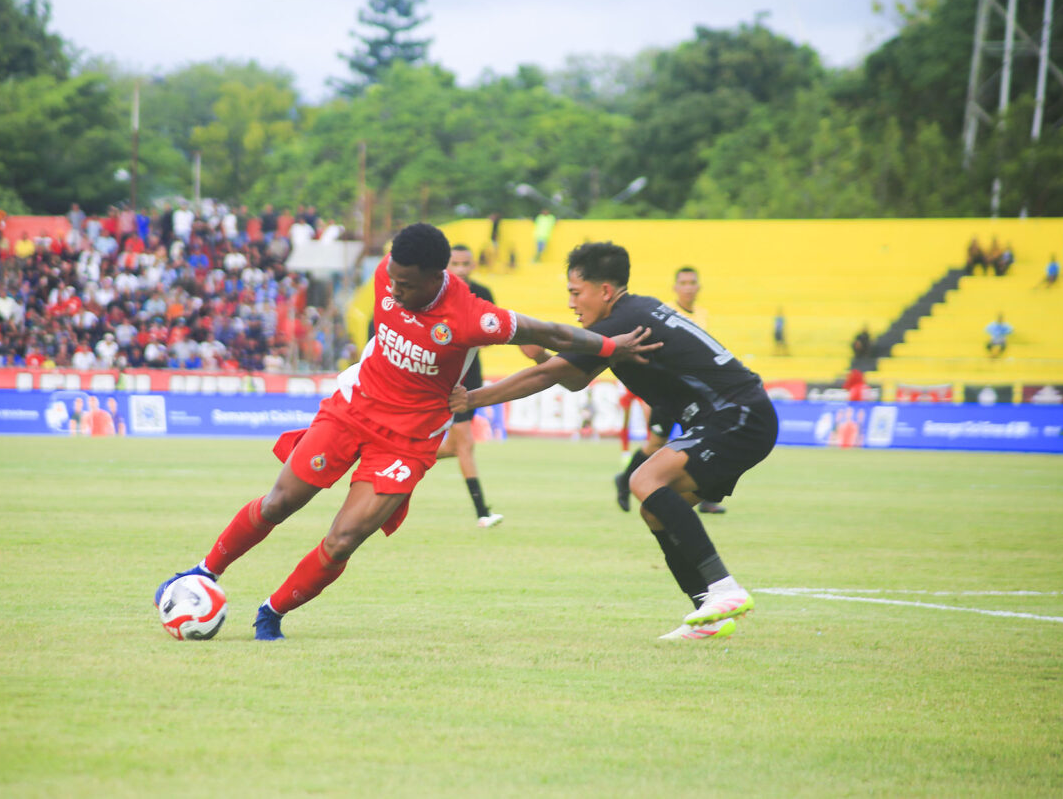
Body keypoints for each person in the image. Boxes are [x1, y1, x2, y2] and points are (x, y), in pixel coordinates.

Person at [153, 223, 658, 641]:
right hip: (352, 409)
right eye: (391, 279)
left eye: (406, 285)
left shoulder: (473, 318)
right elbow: (391, 288)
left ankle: (272, 613)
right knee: (279, 502)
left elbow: (550, 332)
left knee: (343, 539)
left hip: (407, 442)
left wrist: (611, 348)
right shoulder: (386, 274)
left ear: (437, 276)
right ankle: (203, 572)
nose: (393, 291)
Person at [451, 241, 776, 641]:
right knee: (654, 511)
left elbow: (549, 376)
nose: (571, 303)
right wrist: (540, 356)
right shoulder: (632, 314)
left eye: (576, 292)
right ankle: (708, 614)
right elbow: (573, 379)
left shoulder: (622, 322)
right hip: (739, 416)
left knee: (644, 480)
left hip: (736, 416)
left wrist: (471, 399)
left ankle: (724, 589)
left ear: (604, 290)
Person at [612, 266, 727, 515]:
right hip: (669, 391)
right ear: (675, 287)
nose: (688, 287)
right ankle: (625, 480)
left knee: (706, 444)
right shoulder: (665, 312)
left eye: (692, 282)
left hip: (695, 393)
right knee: (655, 444)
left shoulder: (703, 314)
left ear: (699, 287)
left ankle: (706, 497)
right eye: (683, 283)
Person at [434, 244, 515, 528]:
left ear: (473, 265)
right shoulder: (435, 293)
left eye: (465, 263)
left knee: (455, 446)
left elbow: (493, 334)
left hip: (470, 376)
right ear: (446, 266)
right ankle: (482, 512)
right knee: (465, 443)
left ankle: (399, 456)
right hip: (443, 374)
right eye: (454, 263)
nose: (460, 269)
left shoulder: (483, 293)